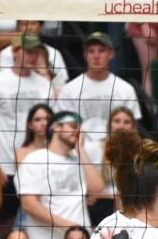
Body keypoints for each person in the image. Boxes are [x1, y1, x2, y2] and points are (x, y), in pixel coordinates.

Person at [17, 111, 104, 239]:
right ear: (56, 127)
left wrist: (81, 151)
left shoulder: (78, 160)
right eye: (72, 126)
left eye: (79, 128)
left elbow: (97, 188)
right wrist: (69, 226)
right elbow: (29, 204)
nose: (77, 131)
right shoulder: (35, 158)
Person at [56, 32, 142, 172]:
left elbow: (133, 130)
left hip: (116, 156)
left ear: (111, 54)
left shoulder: (125, 89)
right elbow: (62, 128)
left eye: (101, 51)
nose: (96, 56)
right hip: (79, 156)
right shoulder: (69, 89)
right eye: (91, 51)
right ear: (85, 55)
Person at [0, 32, 54, 180]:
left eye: (36, 52)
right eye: (28, 52)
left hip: (37, 165)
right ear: (15, 51)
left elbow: (51, 127)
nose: (33, 56)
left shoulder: (45, 85)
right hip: (5, 165)